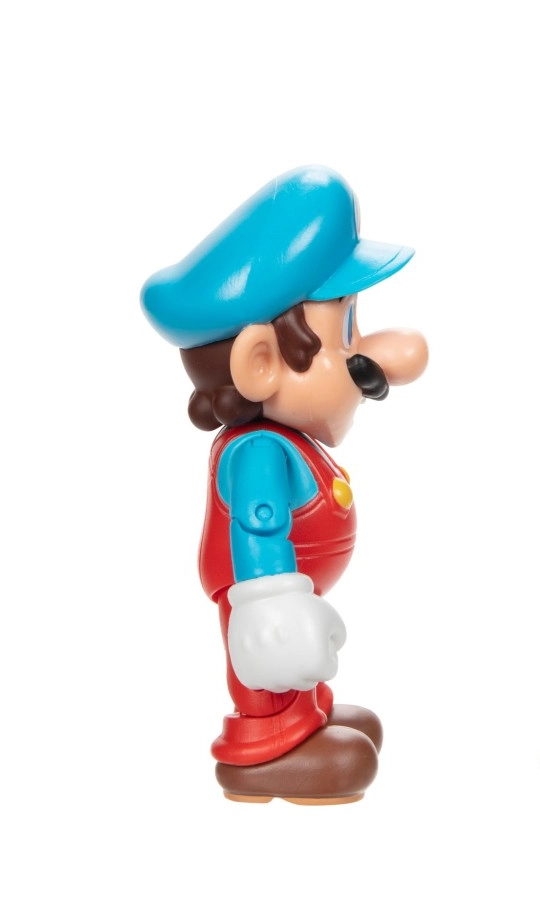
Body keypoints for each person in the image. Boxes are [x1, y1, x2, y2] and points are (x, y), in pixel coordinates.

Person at [141, 166, 428, 804]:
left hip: (296, 599)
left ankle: (308, 713)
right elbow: (259, 534)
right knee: (269, 664)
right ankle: (265, 743)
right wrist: (272, 609)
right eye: (344, 333)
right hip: (264, 595)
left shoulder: (288, 438)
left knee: (299, 662)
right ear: (262, 364)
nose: (372, 358)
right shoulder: (259, 453)